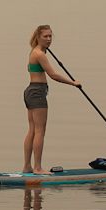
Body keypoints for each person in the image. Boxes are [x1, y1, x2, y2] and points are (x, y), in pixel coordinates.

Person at [23, 24, 80, 175]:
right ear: (38, 37)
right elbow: (53, 75)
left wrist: (44, 48)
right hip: (37, 92)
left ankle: (27, 167)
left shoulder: (35, 52)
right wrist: (73, 83)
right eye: (45, 37)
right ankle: (37, 168)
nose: (48, 39)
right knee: (40, 131)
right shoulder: (40, 54)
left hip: (30, 91)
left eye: (50, 36)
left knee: (33, 130)